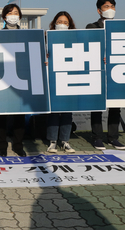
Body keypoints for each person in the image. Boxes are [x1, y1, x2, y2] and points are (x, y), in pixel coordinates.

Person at [0, 4, 27, 157]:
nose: (13, 15)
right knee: (1, 114)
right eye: (10, 13)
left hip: (21, 77)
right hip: (2, 77)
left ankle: (18, 145)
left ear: (20, 17)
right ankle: (2, 145)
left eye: (16, 13)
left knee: (19, 114)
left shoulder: (27, 35)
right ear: (4, 17)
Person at [86, 0, 125, 150]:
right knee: (97, 105)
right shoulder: (92, 26)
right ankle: (97, 137)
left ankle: (113, 137)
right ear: (99, 10)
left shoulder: (121, 27)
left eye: (112, 6)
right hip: (98, 71)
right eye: (106, 6)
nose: (110, 9)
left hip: (117, 71)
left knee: (116, 106)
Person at [46, 11, 77, 153]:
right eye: (59, 22)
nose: (62, 25)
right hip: (52, 78)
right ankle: (52, 141)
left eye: (65, 22)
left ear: (70, 25)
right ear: (54, 24)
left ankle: (65, 141)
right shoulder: (46, 38)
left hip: (69, 78)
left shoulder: (76, 39)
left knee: (67, 112)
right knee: (54, 111)